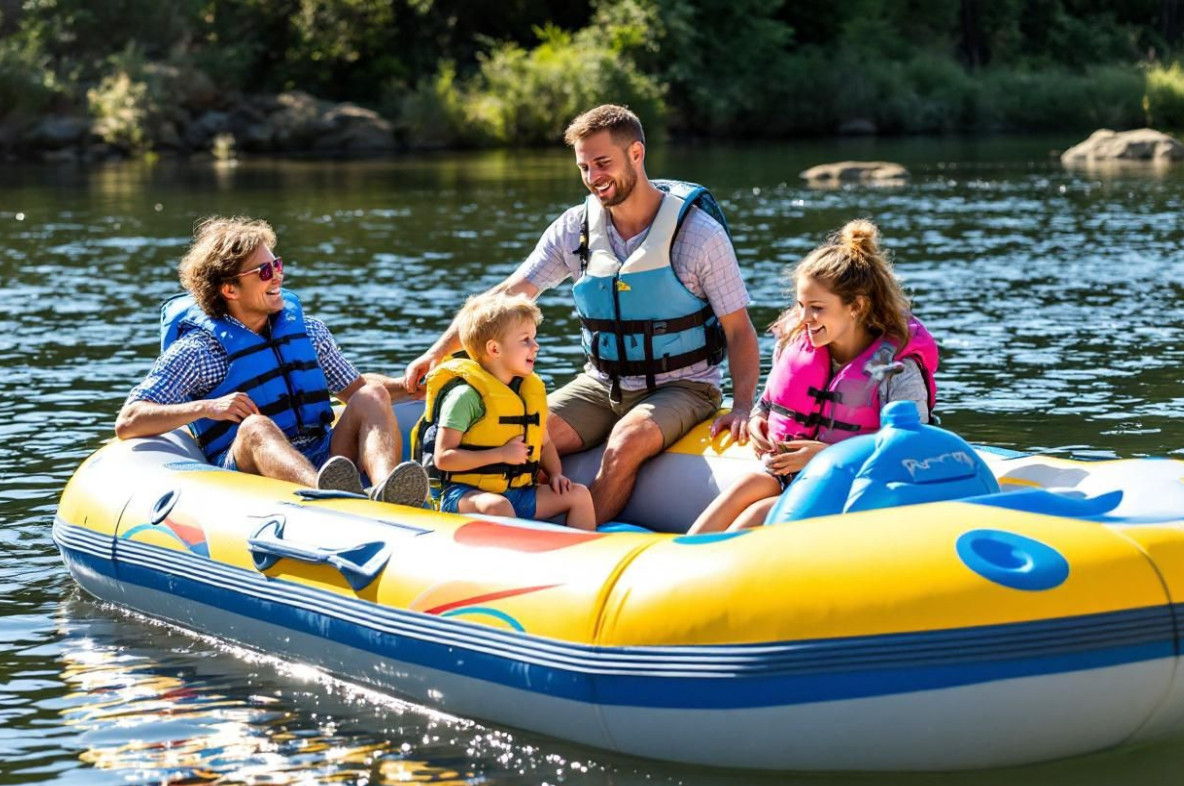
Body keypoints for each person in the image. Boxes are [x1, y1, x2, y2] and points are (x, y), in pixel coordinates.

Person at [404, 104, 761, 524]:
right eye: (584, 167)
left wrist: (742, 406)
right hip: (601, 383)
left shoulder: (699, 235)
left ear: (636, 154)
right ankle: (465, 514)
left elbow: (738, 331)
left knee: (626, 441)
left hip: (683, 386)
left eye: (602, 163)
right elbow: (504, 297)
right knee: (526, 432)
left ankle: (579, 546)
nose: (593, 178)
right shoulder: (575, 229)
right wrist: (436, 354)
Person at [115, 216, 429, 507]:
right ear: (229, 289)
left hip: (324, 454)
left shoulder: (307, 330)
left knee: (372, 395)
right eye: (264, 271)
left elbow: (356, 389)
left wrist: (410, 385)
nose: (277, 276)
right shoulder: (198, 351)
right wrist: (208, 407)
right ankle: (327, 497)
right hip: (250, 471)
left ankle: (391, 494)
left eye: (276, 265)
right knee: (256, 427)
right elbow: (129, 421)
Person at [686, 219, 938, 533]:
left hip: (855, 485)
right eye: (801, 305)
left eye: (817, 308)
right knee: (747, 486)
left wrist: (829, 456)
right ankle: (679, 561)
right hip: (792, 475)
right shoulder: (796, 343)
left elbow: (911, 450)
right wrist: (755, 421)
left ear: (856, 306)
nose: (804, 319)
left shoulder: (897, 371)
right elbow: (766, 404)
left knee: (763, 512)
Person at [411, 294, 596, 530]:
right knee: (498, 507)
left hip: (518, 493)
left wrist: (556, 474)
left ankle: (584, 560)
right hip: (463, 495)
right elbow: (444, 457)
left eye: (534, 338)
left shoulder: (527, 393)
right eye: (525, 340)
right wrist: (501, 455)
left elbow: (545, 443)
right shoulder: (465, 398)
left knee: (579, 495)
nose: (535, 346)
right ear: (494, 349)